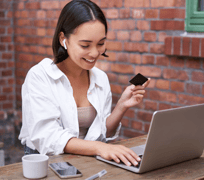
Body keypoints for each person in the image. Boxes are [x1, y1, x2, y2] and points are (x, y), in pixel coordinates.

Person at [18, 0, 150, 167]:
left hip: (88, 162)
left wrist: (122, 106)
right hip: (47, 164)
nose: (95, 53)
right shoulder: (40, 76)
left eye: (101, 44)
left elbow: (103, 134)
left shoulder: (100, 78)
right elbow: (48, 137)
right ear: (63, 39)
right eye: (85, 45)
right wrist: (100, 148)